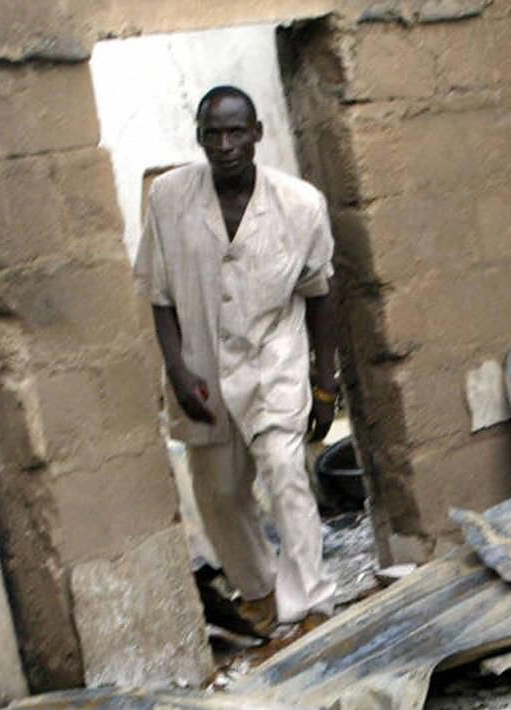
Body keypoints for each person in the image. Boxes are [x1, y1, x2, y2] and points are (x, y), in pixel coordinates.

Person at [135, 84, 340, 639]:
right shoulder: (169, 198)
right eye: (212, 134)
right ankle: (261, 592)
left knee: (284, 470)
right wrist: (177, 371)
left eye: (235, 132)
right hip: (202, 369)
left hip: (272, 360)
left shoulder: (300, 205)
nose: (224, 144)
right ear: (199, 137)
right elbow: (157, 295)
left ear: (257, 134)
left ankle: (310, 605)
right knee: (220, 495)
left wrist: (325, 384)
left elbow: (320, 295)